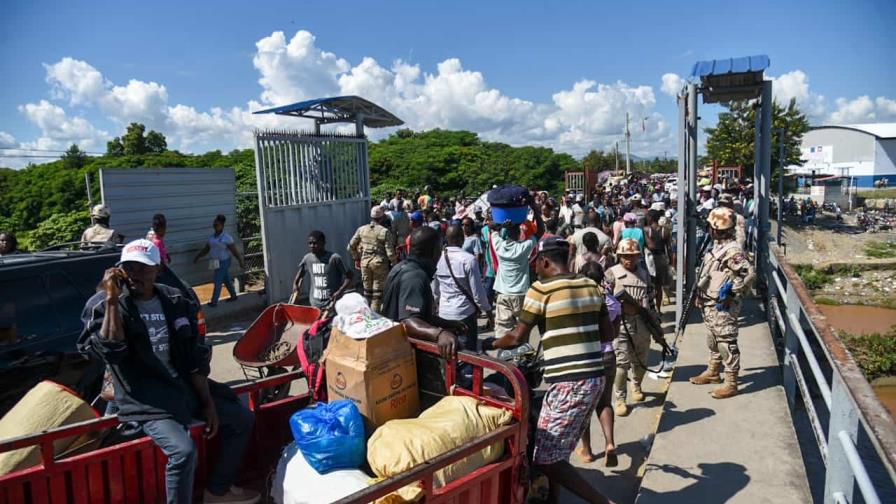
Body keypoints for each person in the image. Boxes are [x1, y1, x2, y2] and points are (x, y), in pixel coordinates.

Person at [78, 240, 259, 504]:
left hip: (181, 389)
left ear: (158, 270)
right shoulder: (104, 304)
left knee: (242, 418)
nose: (135, 275)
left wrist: (208, 403)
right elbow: (111, 350)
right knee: (183, 451)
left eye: (143, 269)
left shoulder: (175, 300)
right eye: (129, 268)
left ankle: (217, 490)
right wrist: (112, 300)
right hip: (143, 398)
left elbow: (194, 359)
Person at [483, 238, 615, 504]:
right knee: (557, 447)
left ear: (544, 262)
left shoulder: (540, 290)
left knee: (544, 458)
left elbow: (517, 337)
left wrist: (484, 344)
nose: (535, 270)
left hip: (570, 382)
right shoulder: (590, 285)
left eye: (535, 265)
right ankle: (553, 498)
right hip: (594, 377)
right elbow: (607, 333)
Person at [381, 226, 467, 406]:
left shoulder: (400, 267)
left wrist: (446, 323)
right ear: (433, 251)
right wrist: (439, 334)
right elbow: (409, 321)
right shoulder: (415, 276)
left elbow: (417, 314)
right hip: (410, 359)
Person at [689, 207, 755, 399]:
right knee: (713, 338)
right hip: (710, 301)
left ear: (716, 228)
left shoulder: (732, 250)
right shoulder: (717, 245)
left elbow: (747, 272)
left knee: (726, 341)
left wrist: (732, 293)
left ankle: (731, 382)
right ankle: (713, 371)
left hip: (723, 304)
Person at [433, 225, 491, 386]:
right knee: (467, 354)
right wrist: (488, 312)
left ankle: (451, 385)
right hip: (465, 315)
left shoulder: (438, 258)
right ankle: (467, 387)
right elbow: (478, 293)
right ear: (462, 238)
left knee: (448, 353)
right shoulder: (468, 259)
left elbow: (435, 289)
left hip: (444, 314)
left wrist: (437, 306)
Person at [576, 261, 621, 467]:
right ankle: (610, 443)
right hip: (608, 355)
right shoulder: (612, 301)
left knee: (585, 406)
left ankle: (587, 450)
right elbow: (615, 333)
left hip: (586, 358)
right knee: (605, 403)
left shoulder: (579, 301)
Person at [604, 238, 656, 417]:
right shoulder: (611, 273)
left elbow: (650, 297)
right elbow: (604, 298)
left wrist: (654, 321)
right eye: (625, 256)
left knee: (641, 359)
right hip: (620, 323)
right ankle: (620, 399)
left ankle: (637, 385)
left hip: (641, 322)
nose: (629, 260)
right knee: (621, 363)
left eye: (633, 256)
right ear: (619, 256)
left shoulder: (644, 273)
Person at [490, 194, 544, 340]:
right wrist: (534, 208)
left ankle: (503, 357)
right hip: (521, 294)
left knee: (503, 329)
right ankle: (521, 355)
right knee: (522, 330)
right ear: (520, 234)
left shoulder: (498, 246)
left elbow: (492, 228)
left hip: (503, 293)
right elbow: (540, 231)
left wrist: (503, 225)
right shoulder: (524, 247)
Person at [348, 206, 397, 313]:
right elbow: (390, 253)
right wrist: (395, 264)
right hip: (379, 265)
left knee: (367, 293)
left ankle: (365, 315)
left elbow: (350, 246)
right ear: (382, 217)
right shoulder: (384, 232)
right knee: (377, 296)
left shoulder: (361, 230)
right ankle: (374, 319)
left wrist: (356, 259)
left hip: (365, 264)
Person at [193, 215, 245, 307]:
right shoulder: (211, 238)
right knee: (226, 279)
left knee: (217, 281)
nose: (215, 226)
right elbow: (206, 249)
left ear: (222, 225)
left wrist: (240, 261)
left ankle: (214, 302)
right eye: (214, 224)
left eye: (217, 224)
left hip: (224, 261)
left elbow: (234, 251)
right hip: (216, 262)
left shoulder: (227, 238)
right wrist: (198, 256)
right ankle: (233, 296)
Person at [293, 230, 353, 311]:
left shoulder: (334, 258)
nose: (312, 246)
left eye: (315, 243)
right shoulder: (308, 258)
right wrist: (295, 284)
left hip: (332, 304)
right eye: (310, 243)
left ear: (323, 243)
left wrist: (340, 292)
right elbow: (300, 274)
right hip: (315, 304)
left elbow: (350, 277)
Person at [645, 209, 672, 309]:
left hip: (650, 260)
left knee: (650, 286)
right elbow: (669, 248)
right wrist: (670, 262)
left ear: (650, 218)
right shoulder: (665, 230)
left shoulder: (647, 230)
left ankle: (652, 309)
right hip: (662, 259)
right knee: (659, 286)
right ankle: (659, 308)